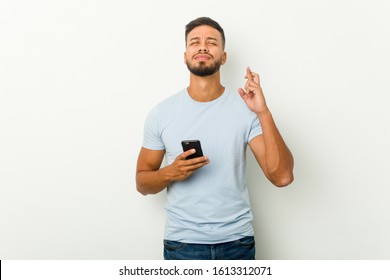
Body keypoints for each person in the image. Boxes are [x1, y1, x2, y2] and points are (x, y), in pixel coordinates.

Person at [136, 17, 294, 260]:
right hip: (182, 244)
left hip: (237, 243)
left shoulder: (246, 110)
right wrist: (172, 172)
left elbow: (281, 176)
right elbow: (142, 183)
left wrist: (263, 112)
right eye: (194, 42)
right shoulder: (161, 113)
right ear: (185, 55)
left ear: (223, 57)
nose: (202, 47)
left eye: (211, 42)